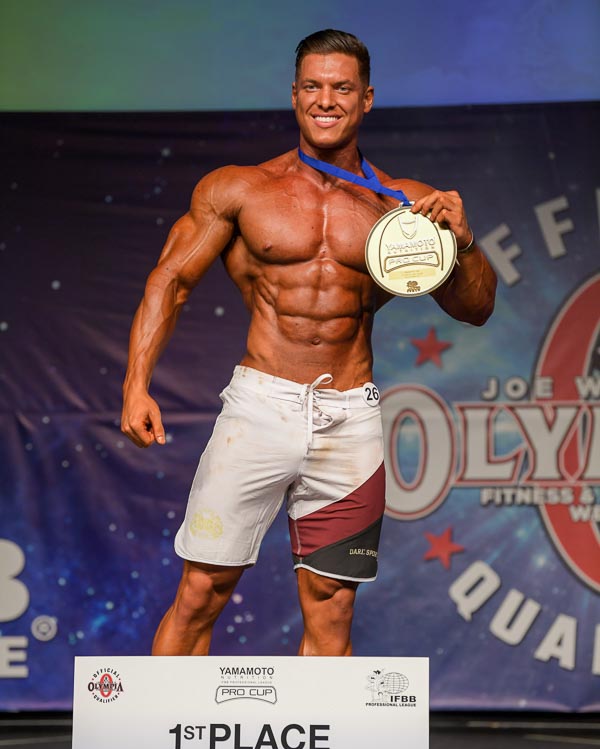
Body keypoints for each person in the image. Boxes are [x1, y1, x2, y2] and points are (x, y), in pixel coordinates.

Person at [121, 29, 497, 658]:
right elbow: (171, 280)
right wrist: (136, 385)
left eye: (342, 88)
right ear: (294, 95)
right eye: (313, 87)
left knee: (333, 603)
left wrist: (465, 243)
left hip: (350, 417)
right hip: (260, 407)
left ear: (366, 99)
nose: (326, 100)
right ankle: (159, 724)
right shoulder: (240, 189)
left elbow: (476, 309)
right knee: (202, 590)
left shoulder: (403, 206)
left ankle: (321, 729)